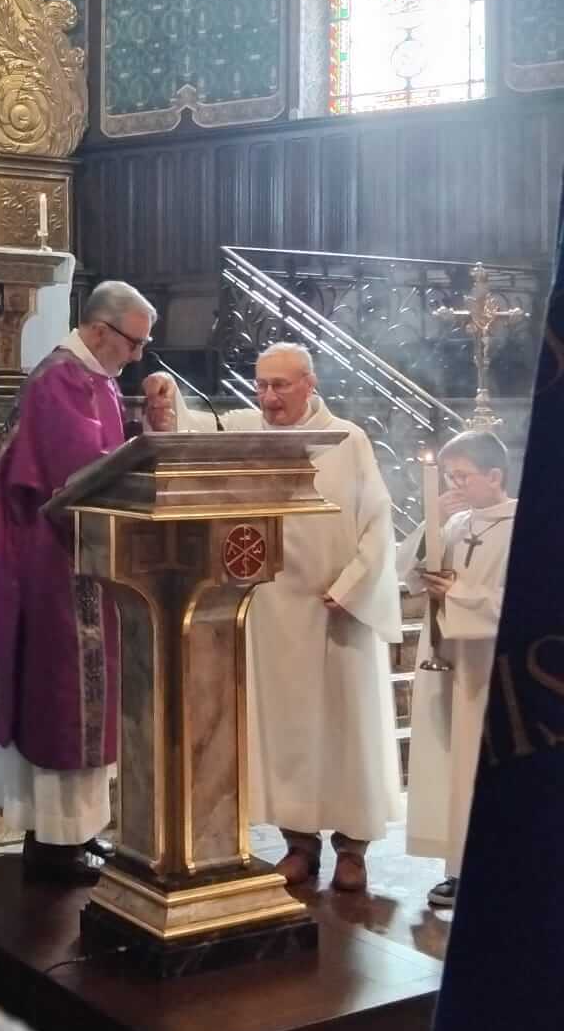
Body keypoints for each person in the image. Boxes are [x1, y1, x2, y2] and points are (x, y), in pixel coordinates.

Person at [158, 343, 402, 893]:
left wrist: (352, 586)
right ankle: (299, 843)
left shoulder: (347, 440)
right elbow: (195, 430)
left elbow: (378, 522)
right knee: (287, 734)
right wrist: (169, 397)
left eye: (280, 385)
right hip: (274, 613)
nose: (268, 397)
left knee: (345, 733)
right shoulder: (251, 433)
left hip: (337, 613)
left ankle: (353, 850)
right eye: (261, 385)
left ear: (310, 384)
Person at [0, 280, 158, 885]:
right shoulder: (60, 381)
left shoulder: (95, 379)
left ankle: (77, 830)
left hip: (87, 558)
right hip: (57, 563)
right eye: (134, 342)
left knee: (85, 701)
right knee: (64, 699)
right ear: (99, 329)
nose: (138, 356)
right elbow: (79, 473)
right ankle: (53, 839)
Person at [398, 429, 516, 912]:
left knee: (482, 767)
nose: (455, 486)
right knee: (451, 767)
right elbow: (409, 572)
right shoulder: (454, 524)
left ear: (495, 476)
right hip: (447, 661)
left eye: (463, 476)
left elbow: (522, 605)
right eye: (448, 477)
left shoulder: (521, 527)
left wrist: (459, 594)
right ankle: (458, 867)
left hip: (490, 668)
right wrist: (431, 523)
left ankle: (499, 868)